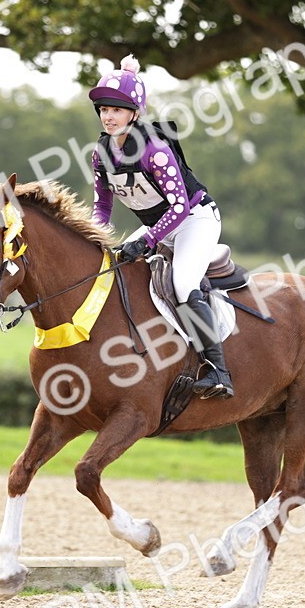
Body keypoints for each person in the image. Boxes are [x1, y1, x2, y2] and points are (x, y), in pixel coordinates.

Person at [89, 54, 233, 399]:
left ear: (134, 114)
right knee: (113, 269)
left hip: (195, 219)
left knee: (183, 283)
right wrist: (92, 238)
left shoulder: (154, 150)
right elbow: (103, 205)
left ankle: (219, 372)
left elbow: (181, 205)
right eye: (104, 110)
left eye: (117, 110)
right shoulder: (100, 153)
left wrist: (148, 240)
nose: (109, 116)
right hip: (160, 225)